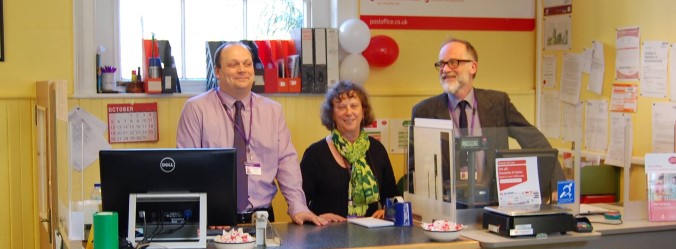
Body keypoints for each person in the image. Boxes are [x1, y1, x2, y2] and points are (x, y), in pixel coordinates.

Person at [176, 41, 327, 226]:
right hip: (214, 219)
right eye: (233, 64)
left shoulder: (273, 111)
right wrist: (209, 212)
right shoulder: (196, 109)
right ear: (217, 71)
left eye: (247, 64)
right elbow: (188, 168)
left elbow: (286, 162)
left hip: (262, 219)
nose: (242, 70)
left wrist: (298, 206)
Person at [411, 38, 565, 202]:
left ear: (473, 67)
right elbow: (415, 169)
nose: (445, 69)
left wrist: (557, 184)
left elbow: (535, 141)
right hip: (446, 206)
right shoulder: (424, 111)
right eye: (441, 64)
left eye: (453, 62)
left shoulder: (498, 103)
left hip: (492, 204)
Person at [301, 80, 400, 222]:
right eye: (341, 107)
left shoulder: (377, 150)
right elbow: (298, 202)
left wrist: (387, 211)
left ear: (363, 111)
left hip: (371, 237)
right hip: (326, 235)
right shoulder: (315, 154)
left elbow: (392, 196)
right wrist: (315, 217)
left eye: (354, 106)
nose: (349, 112)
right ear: (332, 114)